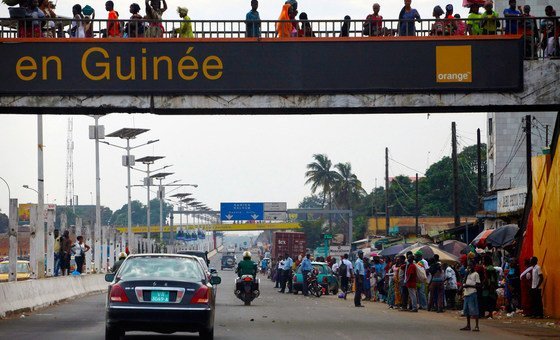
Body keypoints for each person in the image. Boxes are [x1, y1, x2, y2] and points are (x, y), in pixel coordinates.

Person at [461, 263, 481, 332]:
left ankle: (476, 326)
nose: (469, 268)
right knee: (466, 310)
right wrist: (466, 274)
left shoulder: (476, 274)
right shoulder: (468, 274)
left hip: (472, 293)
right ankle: (468, 325)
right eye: (468, 266)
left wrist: (469, 286)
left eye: (471, 266)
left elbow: (478, 285)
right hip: (466, 293)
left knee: (474, 310)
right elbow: (463, 282)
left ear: (474, 267)